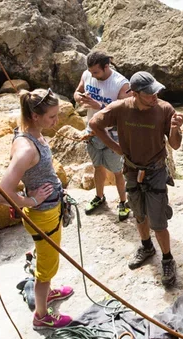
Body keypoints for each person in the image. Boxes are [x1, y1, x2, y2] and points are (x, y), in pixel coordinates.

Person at [89, 72, 183, 286]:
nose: (154, 97)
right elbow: (95, 123)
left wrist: (175, 128)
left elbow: (175, 145)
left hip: (156, 171)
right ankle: (146, 246)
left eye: (156, 92)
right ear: (135, 94)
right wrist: (115, 147)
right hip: (132, 170)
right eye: (149, 94)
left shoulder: (164, 109)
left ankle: (167, 258)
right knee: (138, 214)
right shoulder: (121, 108)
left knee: (158, 220)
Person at [0, 88, 74, 329]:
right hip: (43, 215)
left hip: (48, 210)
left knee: (45, 257)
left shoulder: (28, 132)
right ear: (35, 116)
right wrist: (31, 201)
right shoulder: (27, 149)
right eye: (52, 116)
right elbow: (1, 193)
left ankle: (47, 292)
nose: (56, 121)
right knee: (46, 269)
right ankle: (42, 316)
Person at [74, 51, 131, 220]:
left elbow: (124, 112)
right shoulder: (87, 74)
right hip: (92, 132)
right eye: (90, 72)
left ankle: (123, 202)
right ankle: (99, 197)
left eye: (96, 72)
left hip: (112, 134)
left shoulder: (121, 84)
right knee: (97, 166)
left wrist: (98, 106)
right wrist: (79, 98)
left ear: (106, 67)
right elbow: (77, 91)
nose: (92, 75)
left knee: (117, 171)